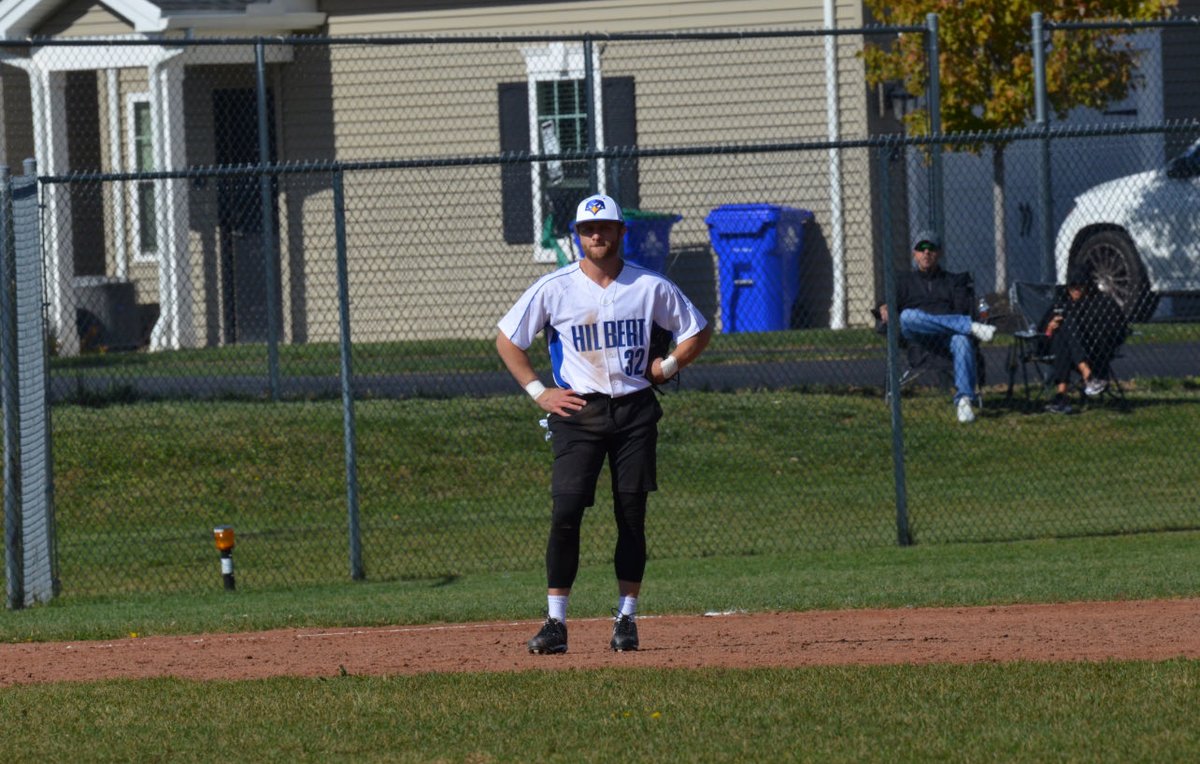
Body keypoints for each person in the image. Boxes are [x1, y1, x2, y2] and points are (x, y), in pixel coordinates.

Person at [496, 193, 712, 655]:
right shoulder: (555, 287)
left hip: (634, 410)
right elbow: (507, 339)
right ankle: (556, 624)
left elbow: (696, 329)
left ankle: (626, 619)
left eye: (606, 228)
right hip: (578, 412)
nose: (597, 235)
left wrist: (668, 367)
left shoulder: (649, 286)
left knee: (631, 516)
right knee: (567, 511)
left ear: (620, 232)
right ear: (578, 237)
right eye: (588, 230)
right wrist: (539, 392)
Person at [876, 230, 996, 423]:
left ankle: (964, 401)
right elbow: (883, 305)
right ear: (914, 254)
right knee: (907, 316)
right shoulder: (903, 282)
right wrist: (884, 305)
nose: (926, 253)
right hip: (916, 339)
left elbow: (961, 309)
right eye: (921, 249)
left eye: (931, 248)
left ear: (939, 253)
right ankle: (969, 327)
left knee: (962, 340)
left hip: (947, 340)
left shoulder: (953, 282)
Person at [1041, 266, 1129, 415]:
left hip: (1093, 349)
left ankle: (1061, 396)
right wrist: (1050, 326)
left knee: (1065, 330)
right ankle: (1087, 375)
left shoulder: (1101, 303)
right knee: (1063, 328)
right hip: (1057, 348)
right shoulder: (1061, 304)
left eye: (1080, 286)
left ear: (1087, 286)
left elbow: (1114, 330)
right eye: (1072, 287)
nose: (1076, 290)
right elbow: (1042, 332)